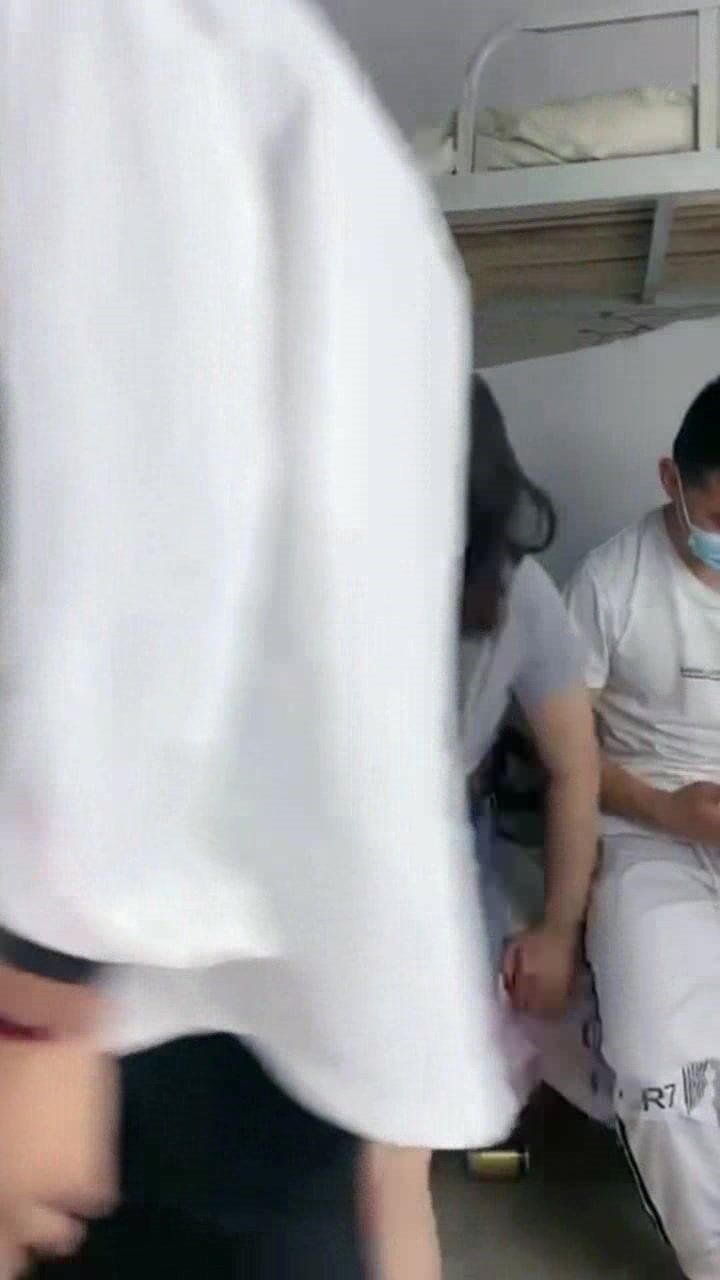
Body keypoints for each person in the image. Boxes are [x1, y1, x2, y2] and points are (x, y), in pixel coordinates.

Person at [0, 4, 519, 1276]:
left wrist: (34, 1012)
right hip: (197, 949)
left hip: (132, 978)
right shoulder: (230, 59)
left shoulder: (100, 35)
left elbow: (137, 509)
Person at [367, 378, 600, 1280]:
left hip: (435, 855)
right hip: (313, 856)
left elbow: (574, 764)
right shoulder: (306, 566)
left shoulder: (516, 593)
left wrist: (559, 928)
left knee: (400, 1146)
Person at [564, 376, 720, 1280]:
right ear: (672, 479)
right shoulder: (609, 584)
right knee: (660, 1073)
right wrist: (666, 810)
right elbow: (560, 748)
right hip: (646, 837)